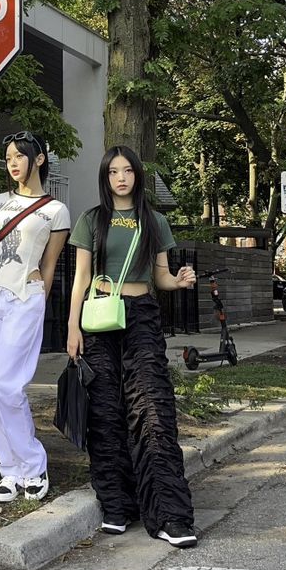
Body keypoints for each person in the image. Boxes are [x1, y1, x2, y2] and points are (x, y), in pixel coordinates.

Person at [67, 145, 198, 548]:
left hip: (141, 315)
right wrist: (72, 327)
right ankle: (118, 505)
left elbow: (160, 276)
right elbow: (82, 277)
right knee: (106, 412)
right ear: (105, 178)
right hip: (100, 318)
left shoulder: (154, 220)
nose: (121, 178)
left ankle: (169, 516)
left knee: (153, 410)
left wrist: (178, 281)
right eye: (113, 172)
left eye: (127, 171)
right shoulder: (92, 220)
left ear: (138, 175)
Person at [0, 131, 70, 503]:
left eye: (20, 156)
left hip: (24, 298)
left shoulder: (55, 211)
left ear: (39, 159)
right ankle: (10, 470)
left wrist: (37, 301)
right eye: (9, 157)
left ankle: (34, 464)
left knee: (6, 385)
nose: (13, 163)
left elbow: (49, 265)